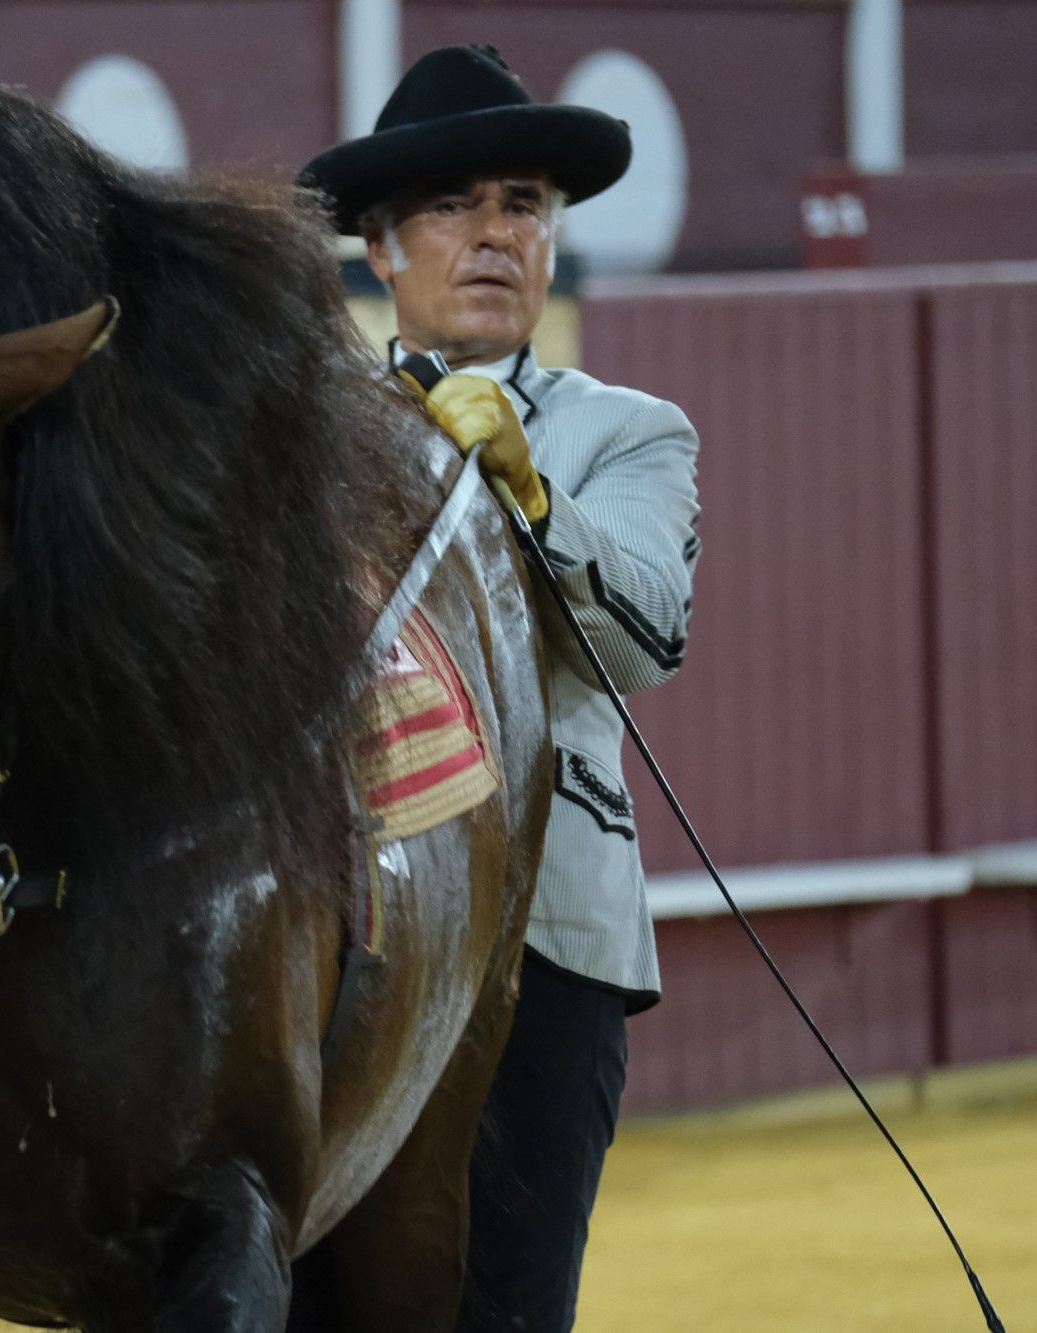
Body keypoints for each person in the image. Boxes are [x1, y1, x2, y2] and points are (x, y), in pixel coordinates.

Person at [301, 44, 701, 1331]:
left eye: (521, 204)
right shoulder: (295, 439)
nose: (490, 234)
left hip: (546, 947)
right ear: (378, 245)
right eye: (451, 204)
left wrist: (531, 491)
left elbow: (646, 633)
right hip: (329, 947)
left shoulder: (626, 432)